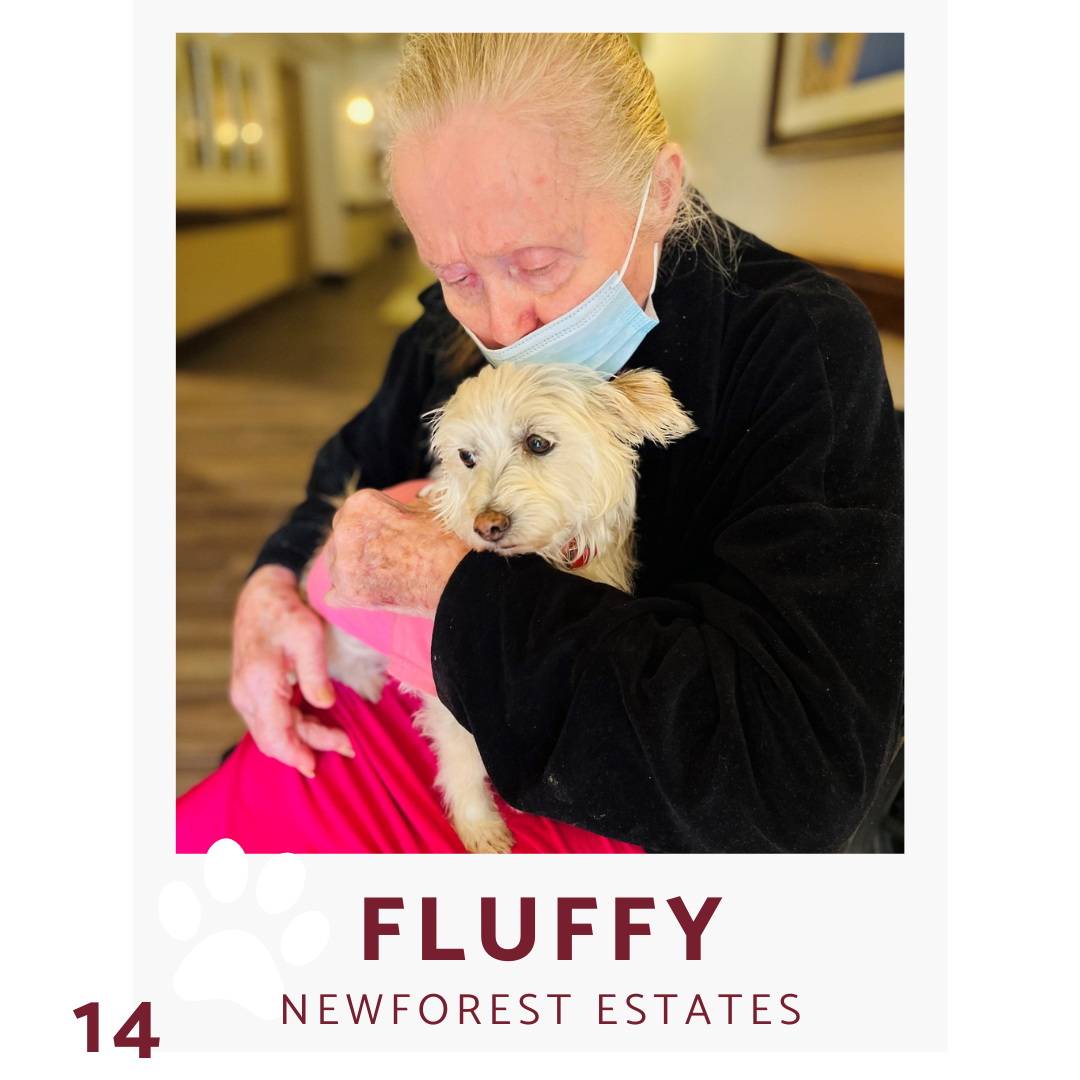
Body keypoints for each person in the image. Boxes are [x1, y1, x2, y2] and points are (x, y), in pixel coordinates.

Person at [183, 33, 903, 854]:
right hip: (428, 727)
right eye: (457, 276)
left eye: (536, 262)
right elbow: (359, 452)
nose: (499, 323)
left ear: (660, 191)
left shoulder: (796, 345)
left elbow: (797, 779)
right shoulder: (446, 324)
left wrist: (453, 589)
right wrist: (270, 584)